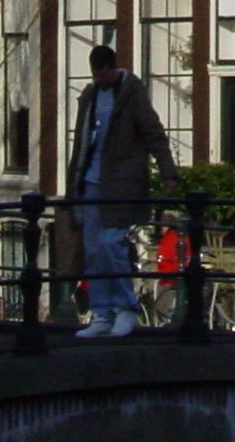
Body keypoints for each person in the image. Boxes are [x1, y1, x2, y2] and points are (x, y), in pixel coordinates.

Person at [65, 43, 180, 339]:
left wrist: (168, 171)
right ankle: (102, 314)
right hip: (90, 183)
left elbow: (154, 133)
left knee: (112, 245)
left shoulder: (132, 95)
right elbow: (82, 143)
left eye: (103, 74)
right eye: (95, 75)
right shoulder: (90, 96)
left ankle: (126, 308)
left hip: (120, 183)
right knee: (92, 251)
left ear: (113, 68)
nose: (100, 80)